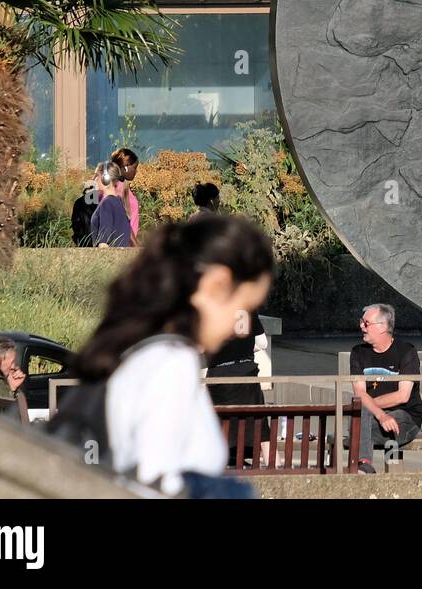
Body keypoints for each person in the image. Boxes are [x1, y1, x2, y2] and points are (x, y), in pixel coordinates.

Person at [64, 213, 275, 497]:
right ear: (216, 285)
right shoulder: (171, 363)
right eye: (244, 305)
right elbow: (154, 482)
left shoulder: (143, 350)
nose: (238, 324)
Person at [349, 303, 422, 474]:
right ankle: (365, 464)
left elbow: (403, 396)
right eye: (361, 321)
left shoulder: (406, 351)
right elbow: (359, 393)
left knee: (361, 425)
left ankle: (377, 471)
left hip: (406, 415)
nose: (361, 326)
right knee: (360, 421)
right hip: (376, 417)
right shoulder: (358, 353)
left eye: (366, 323)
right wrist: (380, 414)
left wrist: (369, 406)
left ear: (382, 327)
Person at [206, 310, 269, 468]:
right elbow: (263, 343)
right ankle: (273, 462)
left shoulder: (213, 307)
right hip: (246, 372)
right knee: (259, 422)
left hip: (219, 376)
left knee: (215, 420)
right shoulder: (248, 307)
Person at [94, 148, 141, 244]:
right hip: (121, 244)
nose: (136, 171)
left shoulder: (123, 186)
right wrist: (135, 245)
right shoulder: (115, 189)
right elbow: (123, 220)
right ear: (126, 167)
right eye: (135, 167)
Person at [90, 162, 133, 247]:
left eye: (96, 176)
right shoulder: (119, 202)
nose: (93, 180)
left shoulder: (107, 203)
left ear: (105, 179)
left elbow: (104, 241)